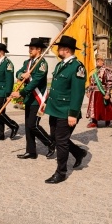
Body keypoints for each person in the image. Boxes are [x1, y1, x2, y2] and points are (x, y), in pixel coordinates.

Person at [44, 35, 88, 184]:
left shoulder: (77, 67)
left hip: (66, 111)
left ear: (67, 50)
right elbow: (56, 86)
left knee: (61, 141)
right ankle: (79, 152)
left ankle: (61, 172)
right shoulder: (60, 64)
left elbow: (78, 93)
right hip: (55, 108)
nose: (57, 50)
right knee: (56, 138)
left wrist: (73, 114)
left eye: (60, 48)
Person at [10, 38, 54, 159]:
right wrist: (22, 75)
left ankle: (50, 143)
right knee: (28, 126)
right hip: (29, 99)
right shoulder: (27, 62)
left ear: (39, 50)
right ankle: (31, 151)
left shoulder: (42, 64)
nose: (30, 50)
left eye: (32, 48)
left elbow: (35, 82)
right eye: (29, 48)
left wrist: (21, 93)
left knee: (33, 125)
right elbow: (17, 73)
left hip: (38, 98)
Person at [0, 43, 19, 141]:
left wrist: (7, 94)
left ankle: (13, 125)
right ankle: (0, 134)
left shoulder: (7, 63)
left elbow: (9, 80)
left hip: (2, 92)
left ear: (2, 52)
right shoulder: (0, 62)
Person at [86, 54, 112, 128]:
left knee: (105, 106)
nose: (98, 62)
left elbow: (109, 82)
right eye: (97, 61)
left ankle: (107, 121)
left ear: (103, 61)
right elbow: (90, 82)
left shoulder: (106, 70)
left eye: (100, 61)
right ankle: (94, 121)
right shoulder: (93, 71)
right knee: (94, 106)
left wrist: (108, 93)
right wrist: (88, 91)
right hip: (94, 92)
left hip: (102, 92)